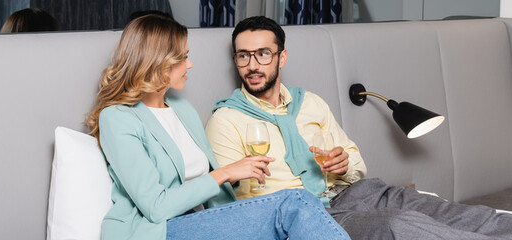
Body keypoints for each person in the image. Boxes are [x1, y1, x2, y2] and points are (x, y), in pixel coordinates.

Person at [205, 16, 512, 240]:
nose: (252, 65)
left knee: (463, 214)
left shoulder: (311, 103)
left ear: (281, 57)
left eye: (262, 54)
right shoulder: (227, 120)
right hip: (313, 217)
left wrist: (343, 165)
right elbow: (248, 203)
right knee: (405, 225)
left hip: (355, 192)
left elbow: (356, 163)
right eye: (243, 56)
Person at [85, 14, 350, 240]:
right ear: (156, 61)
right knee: (296, 201)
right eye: (182, 57)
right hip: (153, 231)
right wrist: (225, 173)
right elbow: (155, 206)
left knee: (296, 206)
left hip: (197, 221)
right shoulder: (117, 118)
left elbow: (215, 197)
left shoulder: (182, 110)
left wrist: (245, 213)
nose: (189, 64)